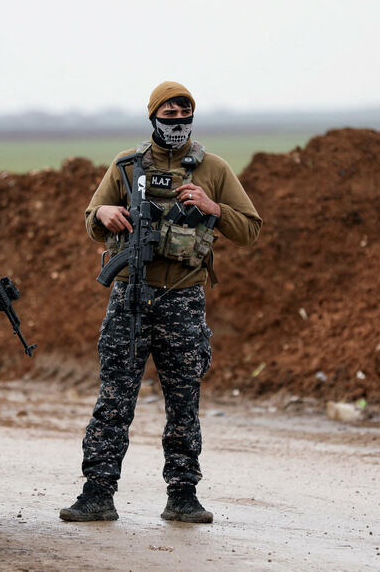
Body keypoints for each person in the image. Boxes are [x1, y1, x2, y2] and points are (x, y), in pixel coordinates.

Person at [60, 81, 262, 523]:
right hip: (130, 297)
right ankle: (97, 492)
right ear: (153, 117)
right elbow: (91, 220)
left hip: (183, 301)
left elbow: (250, 229)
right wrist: (103, 214)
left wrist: (213, 208)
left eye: (184, 117)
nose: (177, 125)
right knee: (114, 397)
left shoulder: (213, 169)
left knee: (183, 399)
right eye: (168, 117)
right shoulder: (126, 165)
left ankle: (183, 494)